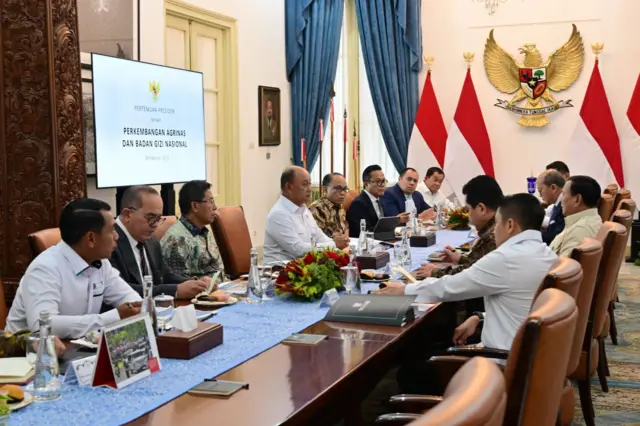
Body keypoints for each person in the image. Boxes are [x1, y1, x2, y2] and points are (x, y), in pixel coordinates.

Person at [376, 193, 558, 352]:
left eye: (496, 224)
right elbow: (524, 306)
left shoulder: (506, 258)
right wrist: (480, 318)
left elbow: (450, 287)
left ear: (510, 225)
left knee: (415, 369)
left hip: (501, 361)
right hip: (531, 352)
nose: (494, 231)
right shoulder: (547, 253)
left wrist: (404, 290)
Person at [6, 199, 142, 339]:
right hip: (27, 356)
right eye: (112, 230)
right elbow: (42, 325)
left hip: (77, 350)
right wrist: (114, 316)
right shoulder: (44, 268)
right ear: (91, 238)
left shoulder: (100, 262)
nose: (116, 236)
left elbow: (127, 297)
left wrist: (135, 308)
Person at [110, 186, 209, 299]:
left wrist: (196, 284)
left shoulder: (150, 240)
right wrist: (174, 291)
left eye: (158, 219)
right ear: (128, 214)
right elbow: (121, 290)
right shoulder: (109, 242)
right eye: (151, 217)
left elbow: (165, 275)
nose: (156, 225)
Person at [415, 175, 504, 280]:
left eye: (468, 210)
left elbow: (467, 277)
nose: (468, 215)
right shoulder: (500, 226)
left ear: (481, 209)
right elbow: (480, 263)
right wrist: (460, 259)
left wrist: (435, 272)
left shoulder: (493, 236)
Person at [263, 166, 335, 263]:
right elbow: (299, 250)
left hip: (303, 269)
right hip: (280, 272)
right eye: (305, 184)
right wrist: (330, 245)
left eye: (309, 184)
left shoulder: (304, 210)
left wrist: (331, 244)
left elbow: (321, 237)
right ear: (289, 187)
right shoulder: (279, 214)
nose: (309, 189)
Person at [161, 180, 227, 281]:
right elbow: (182, 285)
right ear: (195, 206)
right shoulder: (177, 240)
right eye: (211, 201)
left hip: (222, 289)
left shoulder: (202, 231)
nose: (215, 207)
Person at [550, 175, 602, 257]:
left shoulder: (579, 231)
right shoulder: (589, 221)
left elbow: (563, 268)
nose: (561, 200)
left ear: (577, 199)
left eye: (563, 194)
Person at [346, 165, 392, 238]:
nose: (383, 185)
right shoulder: (358, 204)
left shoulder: (381, 200)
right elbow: (363, 231)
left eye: (383, 181)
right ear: (366, 184)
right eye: (378, 181)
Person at [309, 173, 350, 249]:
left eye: (345, 189)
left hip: (343, 249)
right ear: (325, 189)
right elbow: (317, 240)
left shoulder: (340, 206)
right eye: (338, 188)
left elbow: (345, 228)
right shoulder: (316, 208)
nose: (343, 193)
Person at [537, 170, 565, 244]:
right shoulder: (556, 205)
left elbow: (553, 236)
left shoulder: (564, 206)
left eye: (540, 191)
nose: (540, 195)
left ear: (553, 188)